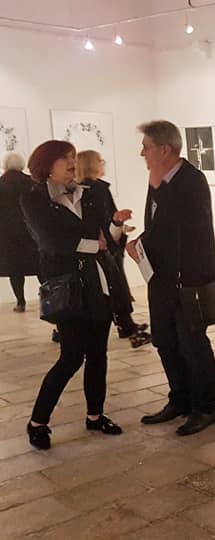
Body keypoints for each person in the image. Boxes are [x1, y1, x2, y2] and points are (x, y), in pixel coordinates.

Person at [21, 140, 124, 449]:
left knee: (98, 355)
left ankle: (95, 415)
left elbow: (108, 239)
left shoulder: (88, 194)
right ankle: (37, 422)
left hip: (96, 283)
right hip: (66, 287)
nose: (72, 162)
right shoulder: (34, 197)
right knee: (71, 357)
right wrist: (94, 245)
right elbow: (50, 242)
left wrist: (116, 226)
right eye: (65, 158)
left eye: (73, 157)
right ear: (47, 164)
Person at [131, 120, 215, 436]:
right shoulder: (158, 180)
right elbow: (159, 227)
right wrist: (141, 242)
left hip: (189, 277)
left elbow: (187, 226)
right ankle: (179, 399)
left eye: (146, 147)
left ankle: (204, 407)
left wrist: (159, 186)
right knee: (165, 341)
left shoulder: (191, 180)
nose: (142, 153)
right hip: (161, 277)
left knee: (193, 344)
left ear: (164, 149)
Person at [76, 150, 151, 349]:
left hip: (92, 249)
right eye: (101, 161)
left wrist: (117, 225)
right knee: (115, 288)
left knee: (112, 288)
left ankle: (126, 325)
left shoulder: (79, 190)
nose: (103, 164)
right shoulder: (98, 189)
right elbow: (105, 220)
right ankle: (127, 327)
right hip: (101, 249)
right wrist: (116, 226)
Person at [0, 152, 40, 313]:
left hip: (7, 233)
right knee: (39, 265)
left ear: (4, 165)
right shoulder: (31, 182)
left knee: (14, 268)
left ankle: (20, 302)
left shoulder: (1, 183)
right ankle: (50, 296)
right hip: (31, 230)